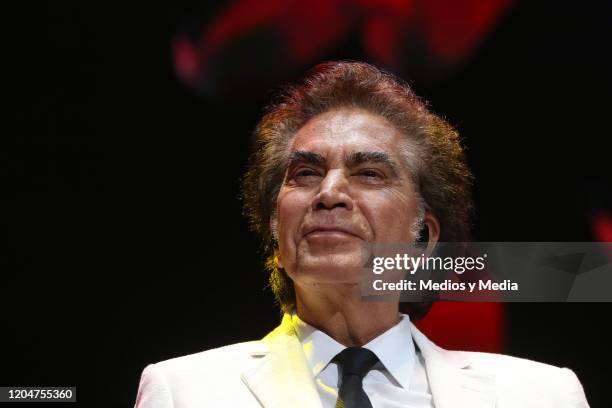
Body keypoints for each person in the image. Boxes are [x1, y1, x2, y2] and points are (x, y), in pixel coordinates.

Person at [134, 61, 589, 407]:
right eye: (306, 174)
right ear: (276, 231)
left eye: (369, 173)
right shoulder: (184, 391)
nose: (329, 193)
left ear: (423, 239)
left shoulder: (541, 394)